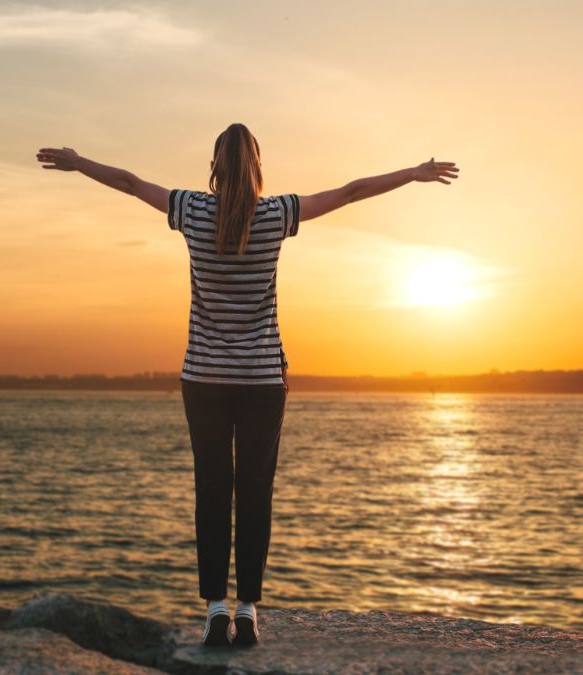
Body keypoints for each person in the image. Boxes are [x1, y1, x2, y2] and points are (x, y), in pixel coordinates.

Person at [35, 125, 459, 647]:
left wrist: (79, 162)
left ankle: (215, 608)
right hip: (261, 381)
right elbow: (350, 191)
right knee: (255, 493)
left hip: (205, 378)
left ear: (214, 165)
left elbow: (127, 181)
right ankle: (248, 610)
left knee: (212, 489)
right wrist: (411, 174)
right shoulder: (277, 213)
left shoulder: (190, 209)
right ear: (257, 165)